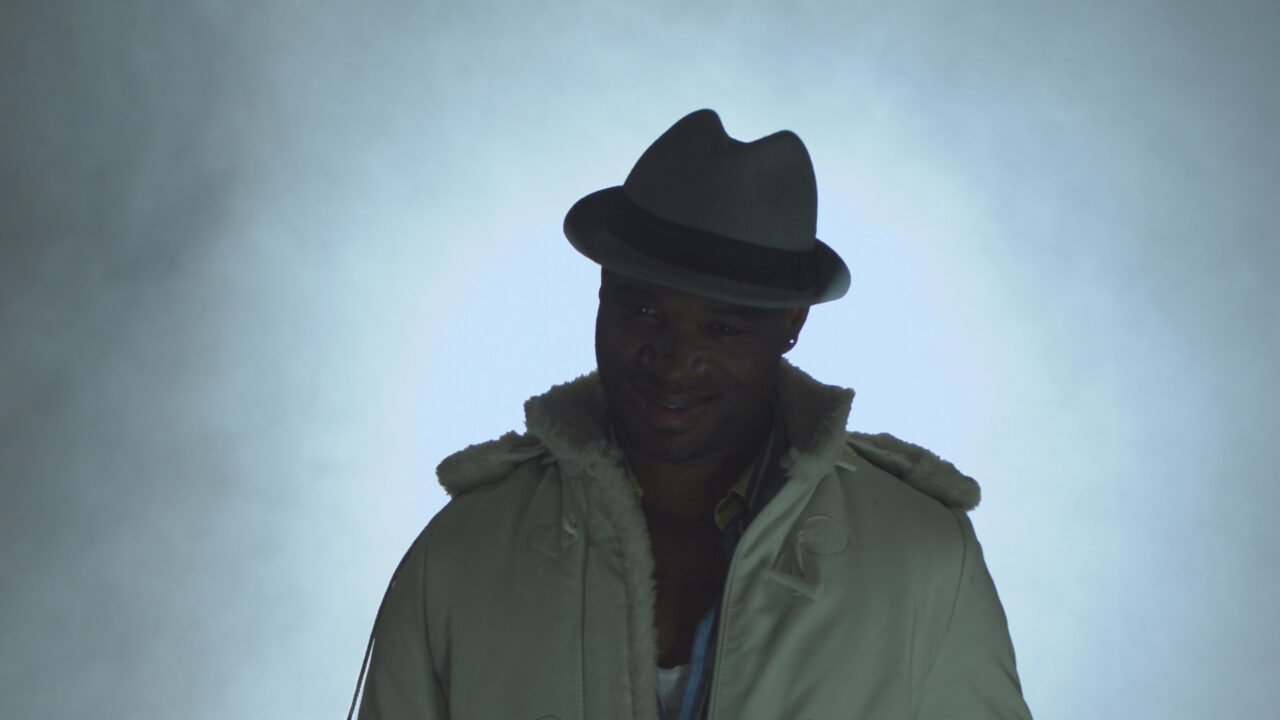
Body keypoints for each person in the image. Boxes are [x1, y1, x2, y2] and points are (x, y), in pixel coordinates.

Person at [350, 109, 1032, 719]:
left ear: (792, 323)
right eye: (643, 309)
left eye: (723, 329)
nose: (675, 363)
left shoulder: (921, 556)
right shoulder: (464, 551)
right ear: (601, 290)